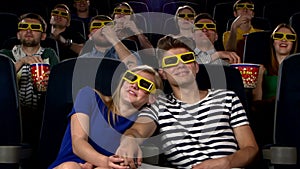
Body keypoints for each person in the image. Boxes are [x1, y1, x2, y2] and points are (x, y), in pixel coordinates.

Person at [114, 35, 258, 169]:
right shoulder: (159, 105)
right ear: (163, 73)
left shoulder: (227, 97)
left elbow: (250, 148)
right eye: (171, 61)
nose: (180, 65)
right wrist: (129, 141)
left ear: (196, 66)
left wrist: (225, 162)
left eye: (186, 58)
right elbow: (137, 130)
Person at [48, 65, 163, 169]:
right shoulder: (89, 96)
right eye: (131, 78)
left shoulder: (140, 122)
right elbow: (78, 142)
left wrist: (105, 165)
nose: (135, 85)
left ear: (152, 98)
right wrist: (105, 161)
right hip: (68, 164)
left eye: (144, 84)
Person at [0, 12, 59, 166]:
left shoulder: (49, 54)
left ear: (43, 36)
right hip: (11, 112)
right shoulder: (6, 54)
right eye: (24, 27)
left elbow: (57, 82)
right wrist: (22, 62)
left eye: (34, 27)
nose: (28, 30)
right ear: (18, 34)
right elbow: (2, 77)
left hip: (41, 112)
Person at [251, 23, 298, 146]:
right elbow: (257, 101)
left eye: (289, 37)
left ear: (293, 43)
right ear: (273, 42)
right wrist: (260, 76)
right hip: (268, 117)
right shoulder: (263, 69)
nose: (284, 39)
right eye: (279, 36)